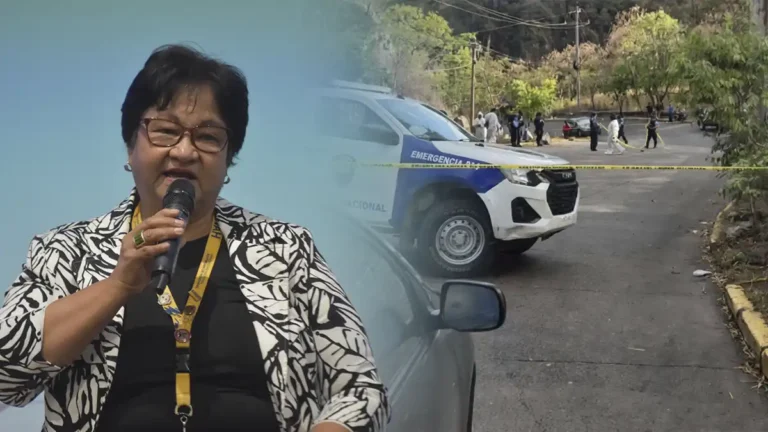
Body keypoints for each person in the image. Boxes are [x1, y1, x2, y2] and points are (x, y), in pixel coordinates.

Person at [0, 44, 390, 432]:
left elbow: (362, 389)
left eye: (207, 137)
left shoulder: (286, 249)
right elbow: (5, 379)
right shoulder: (66, 251)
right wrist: (118, 286)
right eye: (165, 131)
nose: (185, 151)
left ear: (228, 158)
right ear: (131, 146)